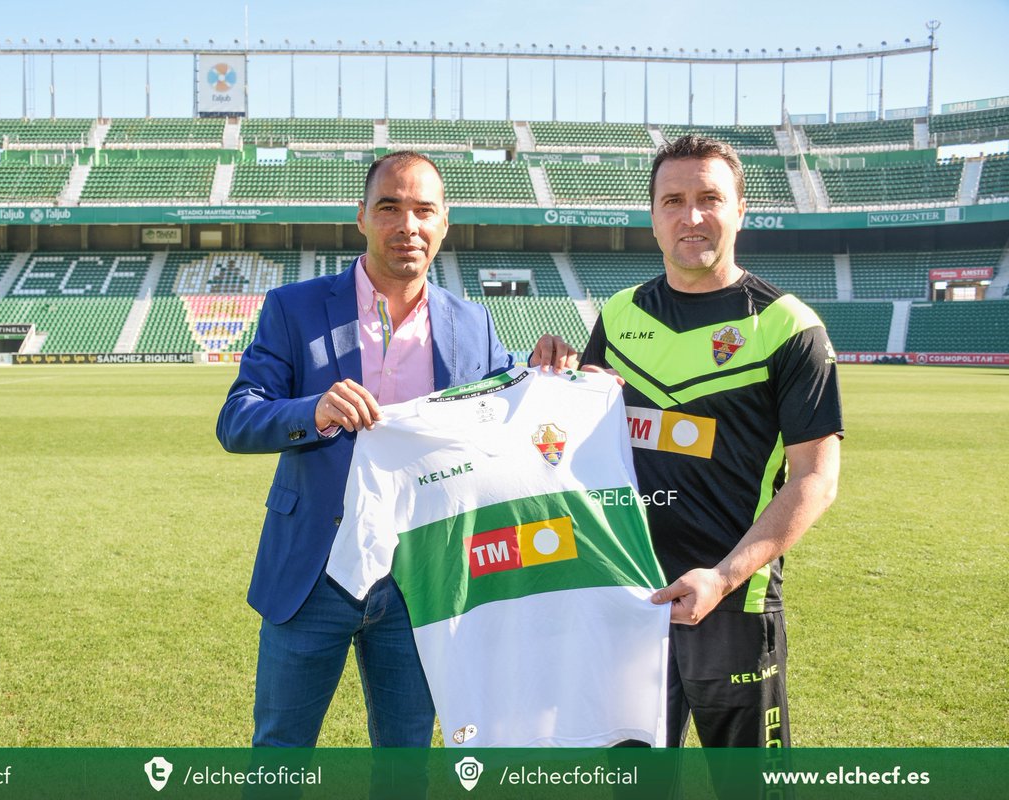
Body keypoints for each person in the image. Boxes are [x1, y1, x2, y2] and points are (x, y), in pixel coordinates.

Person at [216, 150, 574, 748]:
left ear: (443, 223)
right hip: (312, 570)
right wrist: (312, 411)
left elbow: (516, 403)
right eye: (390, 207)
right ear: (361, 217)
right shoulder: (295, 309)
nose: (407, 225)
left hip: (422, 578)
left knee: (405, 758)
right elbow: (237, 418)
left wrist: (551, 365)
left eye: (423, 210)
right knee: (280, 750)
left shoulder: (472, 324)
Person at [578, 135, 843, 748]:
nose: (690, 217)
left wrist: (722, 577)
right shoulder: (619, 314)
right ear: (652, 217)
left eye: (709, 198)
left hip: (733, 602)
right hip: (629, 596)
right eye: (673, 199)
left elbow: (815, 478)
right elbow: (583, 437)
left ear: (740, 211)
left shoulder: (787, 327)